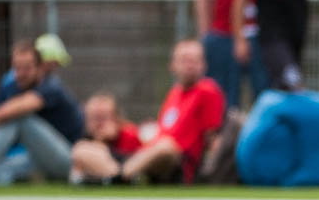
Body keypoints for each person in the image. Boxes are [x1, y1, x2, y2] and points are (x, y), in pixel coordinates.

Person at [76, 40, 226, 184]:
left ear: (204, 65)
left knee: (166, 146)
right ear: (172, 65)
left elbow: (212, 138)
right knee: (81, 149)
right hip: (145, 155)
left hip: (175, 161)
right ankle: (117, 176)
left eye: (195, 60)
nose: (190, 65)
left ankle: (118, 176)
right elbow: (164, 130)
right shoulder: (174, 93)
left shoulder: (208, 91)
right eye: (185, 60)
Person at [0, 41, 83, 185]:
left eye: (26, 68)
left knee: (19, 117)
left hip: (69, 159)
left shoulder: (51, 87)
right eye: (17, 68)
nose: (20, 74)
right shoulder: (13, 87)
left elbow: (5, 113)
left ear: (39, 68)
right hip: (36, 157)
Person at [69, 93, 143, 182]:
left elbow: (133, 159)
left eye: (103, 118)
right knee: (81, 149)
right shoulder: (84, 138)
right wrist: (100, 141)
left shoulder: (129, 134)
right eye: (94, 118)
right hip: (107, 169)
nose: (99, 124)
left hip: (127, 166)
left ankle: (118, 177)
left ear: (117, 118)